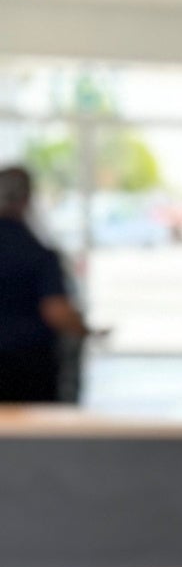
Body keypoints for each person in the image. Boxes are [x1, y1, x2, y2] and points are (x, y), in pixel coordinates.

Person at [0, 164, 84, 404]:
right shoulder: (36, 252)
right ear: (26, 200)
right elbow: (56, 310)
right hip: (26, 365)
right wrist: (83, 328)